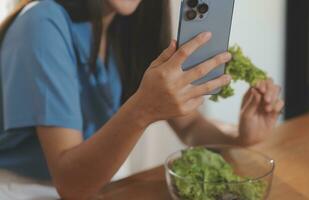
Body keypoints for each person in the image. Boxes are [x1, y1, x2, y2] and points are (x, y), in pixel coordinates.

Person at [0, 0, 284, 199]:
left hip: (92, 185)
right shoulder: (43, 22)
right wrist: (143, 109)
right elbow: (70, 184)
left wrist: (241, 134)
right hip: (25, 189)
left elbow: (190, 127)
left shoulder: (128, 29)